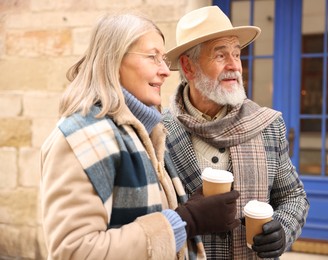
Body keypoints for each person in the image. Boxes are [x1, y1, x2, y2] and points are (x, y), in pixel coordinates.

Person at [40, 11, 241, 260]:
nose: (166, 72)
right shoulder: (81, 138)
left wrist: (189, 212)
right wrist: (186, 221)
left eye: (164, 59)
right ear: (112, 60)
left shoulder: (146, 133)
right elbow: (74, 252)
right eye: (152, 57)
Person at [162, 6, 310, 259]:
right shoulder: (157, 132)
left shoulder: (268, 124)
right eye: (220, 56)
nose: (234, 66)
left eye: (237, 54)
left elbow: (293, 196)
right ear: (188, 67)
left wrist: (283, 230)